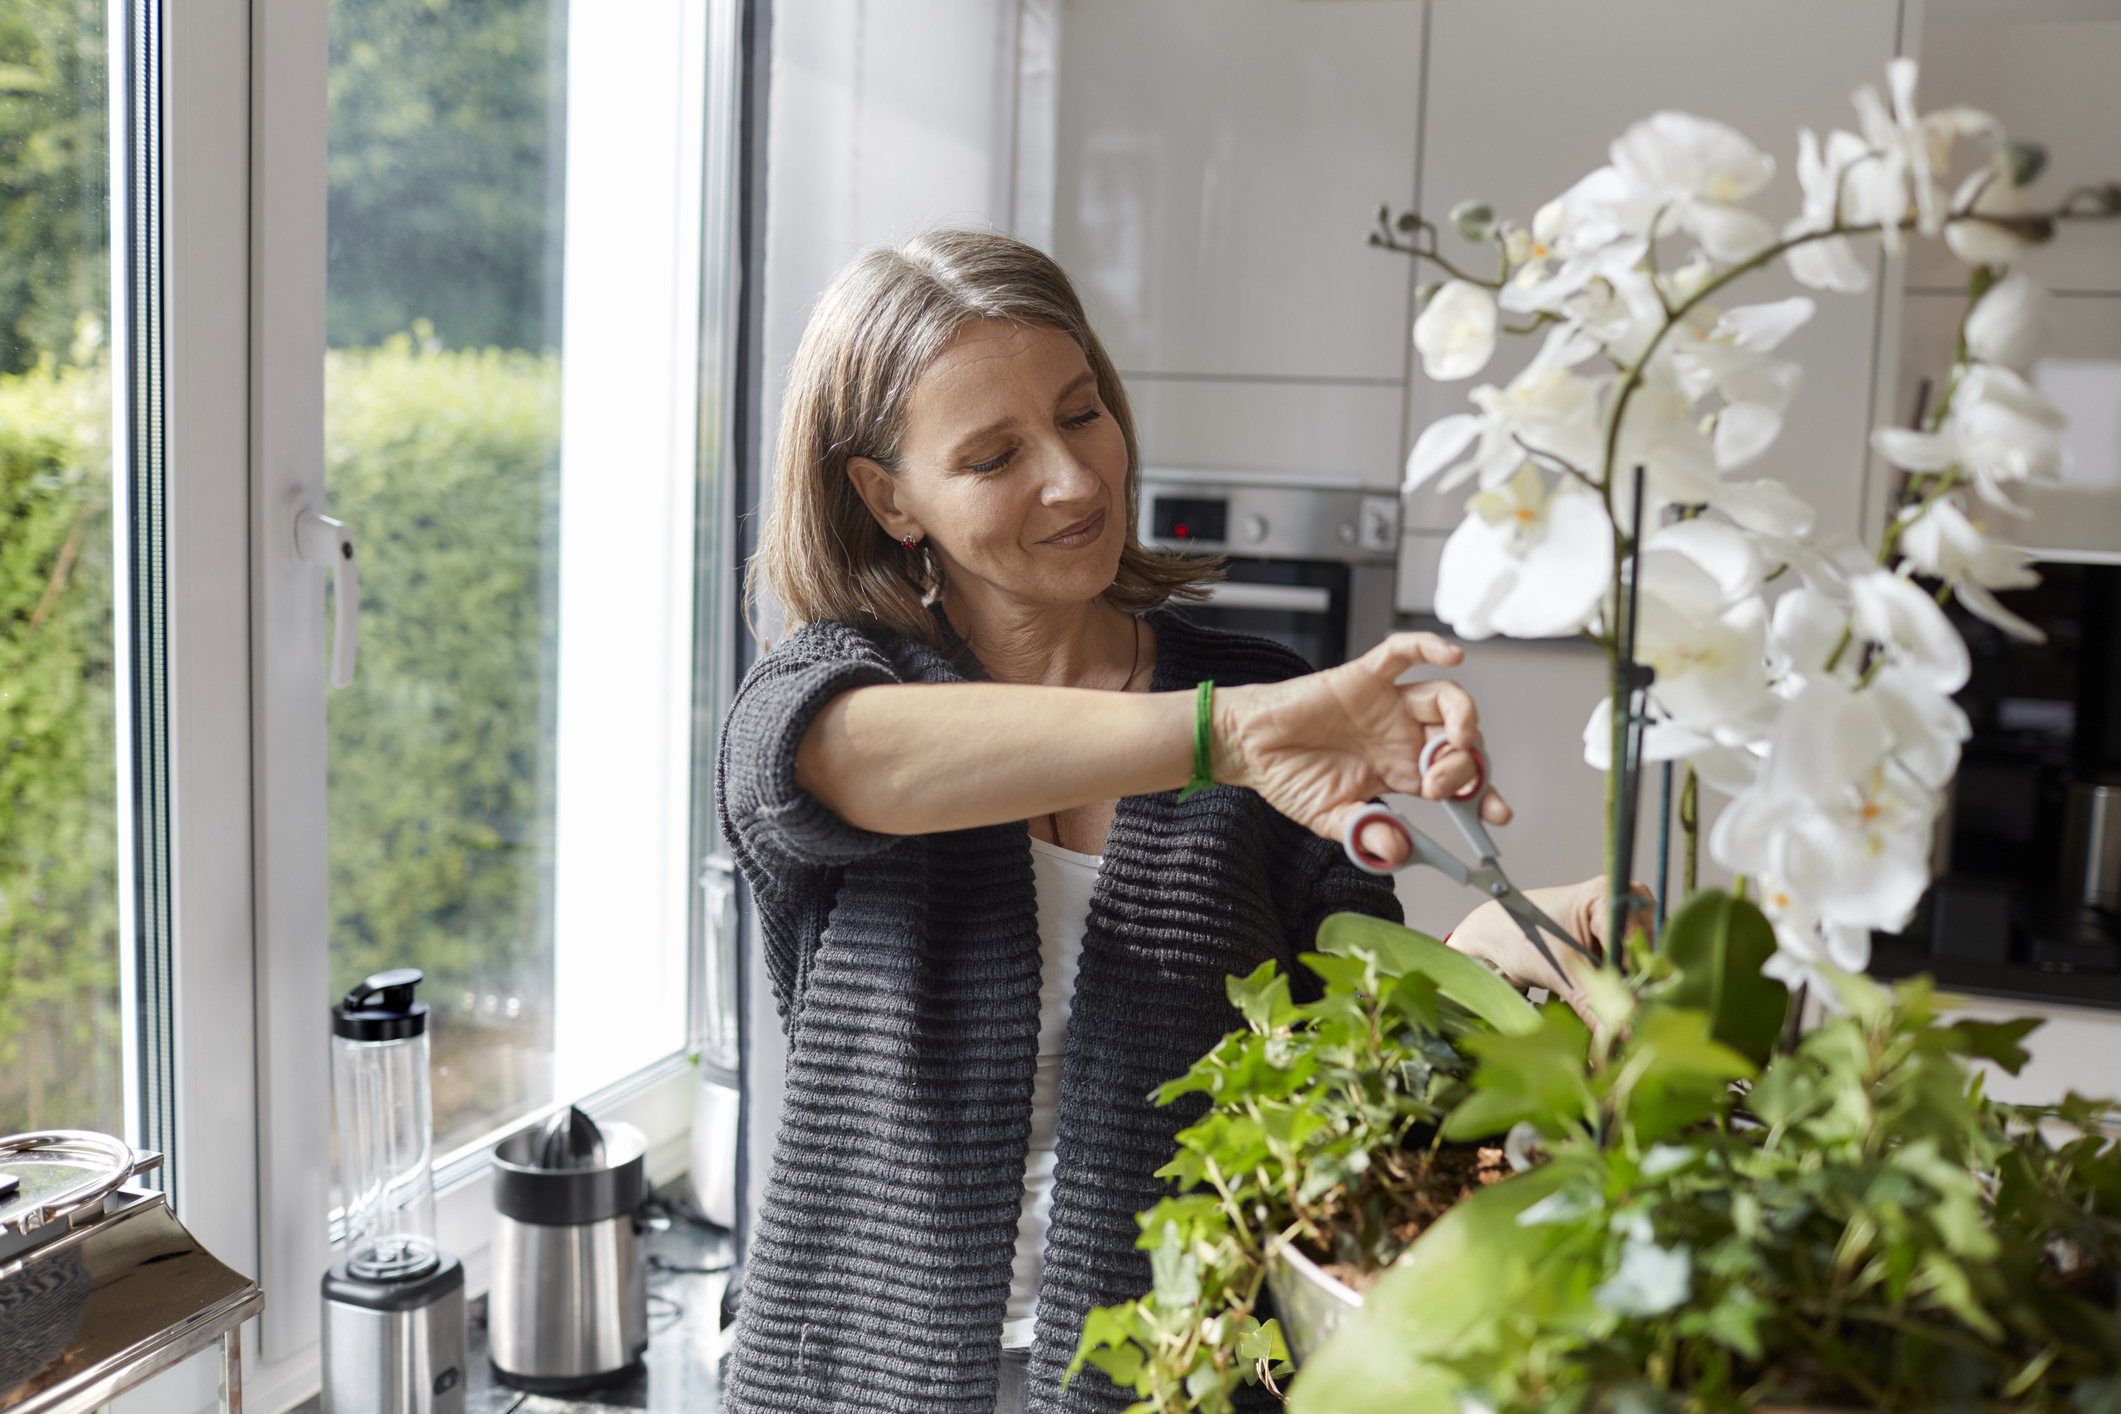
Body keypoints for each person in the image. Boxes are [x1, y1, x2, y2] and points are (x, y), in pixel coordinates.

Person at [718, 228, 1618, 1414]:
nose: (1076, 480)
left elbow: (1348, 1066)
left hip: (1177, 1382)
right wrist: (1229, 735)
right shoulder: (825, 697)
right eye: (994, 456)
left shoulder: (1257, 688)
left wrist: (1499, 956)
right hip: (849, 1381)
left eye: (1082, 413)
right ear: (891, 500)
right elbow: (837, 759)